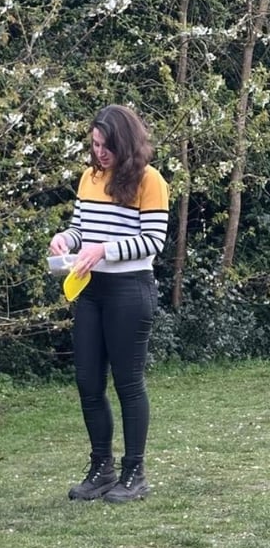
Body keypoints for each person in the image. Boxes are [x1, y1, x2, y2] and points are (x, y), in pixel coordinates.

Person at [49, 104, 169, 503]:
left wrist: (105, 250)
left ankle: (134, 473)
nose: (99, 153)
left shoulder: (150, 181)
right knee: (88, 383)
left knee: (129, 384)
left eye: (107, 146)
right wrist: (68, 240)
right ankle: (102, 468)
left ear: (126, 144)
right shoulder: (90, 177)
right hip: (90, 290)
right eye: (95, 144)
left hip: (130, 291)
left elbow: (153, 241)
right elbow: (83, 228)